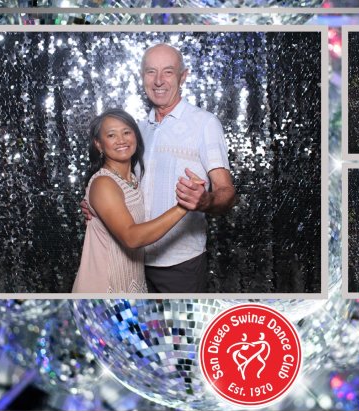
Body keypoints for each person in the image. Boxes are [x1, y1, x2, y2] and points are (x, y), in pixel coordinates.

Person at [83, 43, 236, 293]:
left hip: (180, 264)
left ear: (183, 77)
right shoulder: (138, 130)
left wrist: (205, 201)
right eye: (151, 72)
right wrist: (97, 205)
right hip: (134, 261)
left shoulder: (205, 124)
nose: (158, 81)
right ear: (142, 77)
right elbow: (121, 183)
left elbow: (226, 191)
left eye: (168, 72)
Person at [73, 109, 193, 293]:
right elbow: (131, 237)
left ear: (136, 136)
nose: (121, 140)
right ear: (98, 144)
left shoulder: (133, 179)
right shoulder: (104, 183)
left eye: (126, 132)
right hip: (106, 288)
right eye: (111, 135)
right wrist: (183, 206)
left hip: (133, 283)